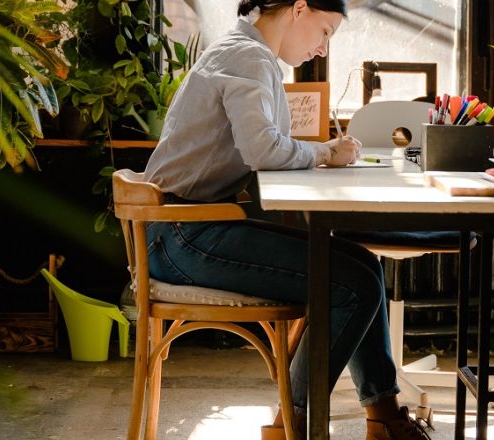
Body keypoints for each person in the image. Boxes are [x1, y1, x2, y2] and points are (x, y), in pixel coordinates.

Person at [143, 1, 433, 439]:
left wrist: (321, 153)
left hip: (191, 226)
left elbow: (263, 144)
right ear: (300, 8)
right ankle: (291, 424)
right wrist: (325, 152)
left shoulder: (245, 51)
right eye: (325, 31)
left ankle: (385, 418)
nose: (321, 48)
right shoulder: (248, 55)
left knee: (364, 267)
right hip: (186, 234)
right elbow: (263, 151)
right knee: (349, 283)